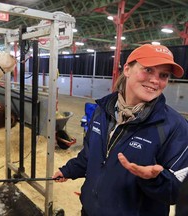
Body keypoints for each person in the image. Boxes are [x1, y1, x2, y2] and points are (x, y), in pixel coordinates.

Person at [53, 44, 188, 216]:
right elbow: (89, 154)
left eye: (163, 75)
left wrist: (155, 179)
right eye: (148, 70)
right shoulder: (101, 111)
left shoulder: (176, 127)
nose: (155, 80)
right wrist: (69, 170)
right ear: (127, 69)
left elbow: (179, 192)